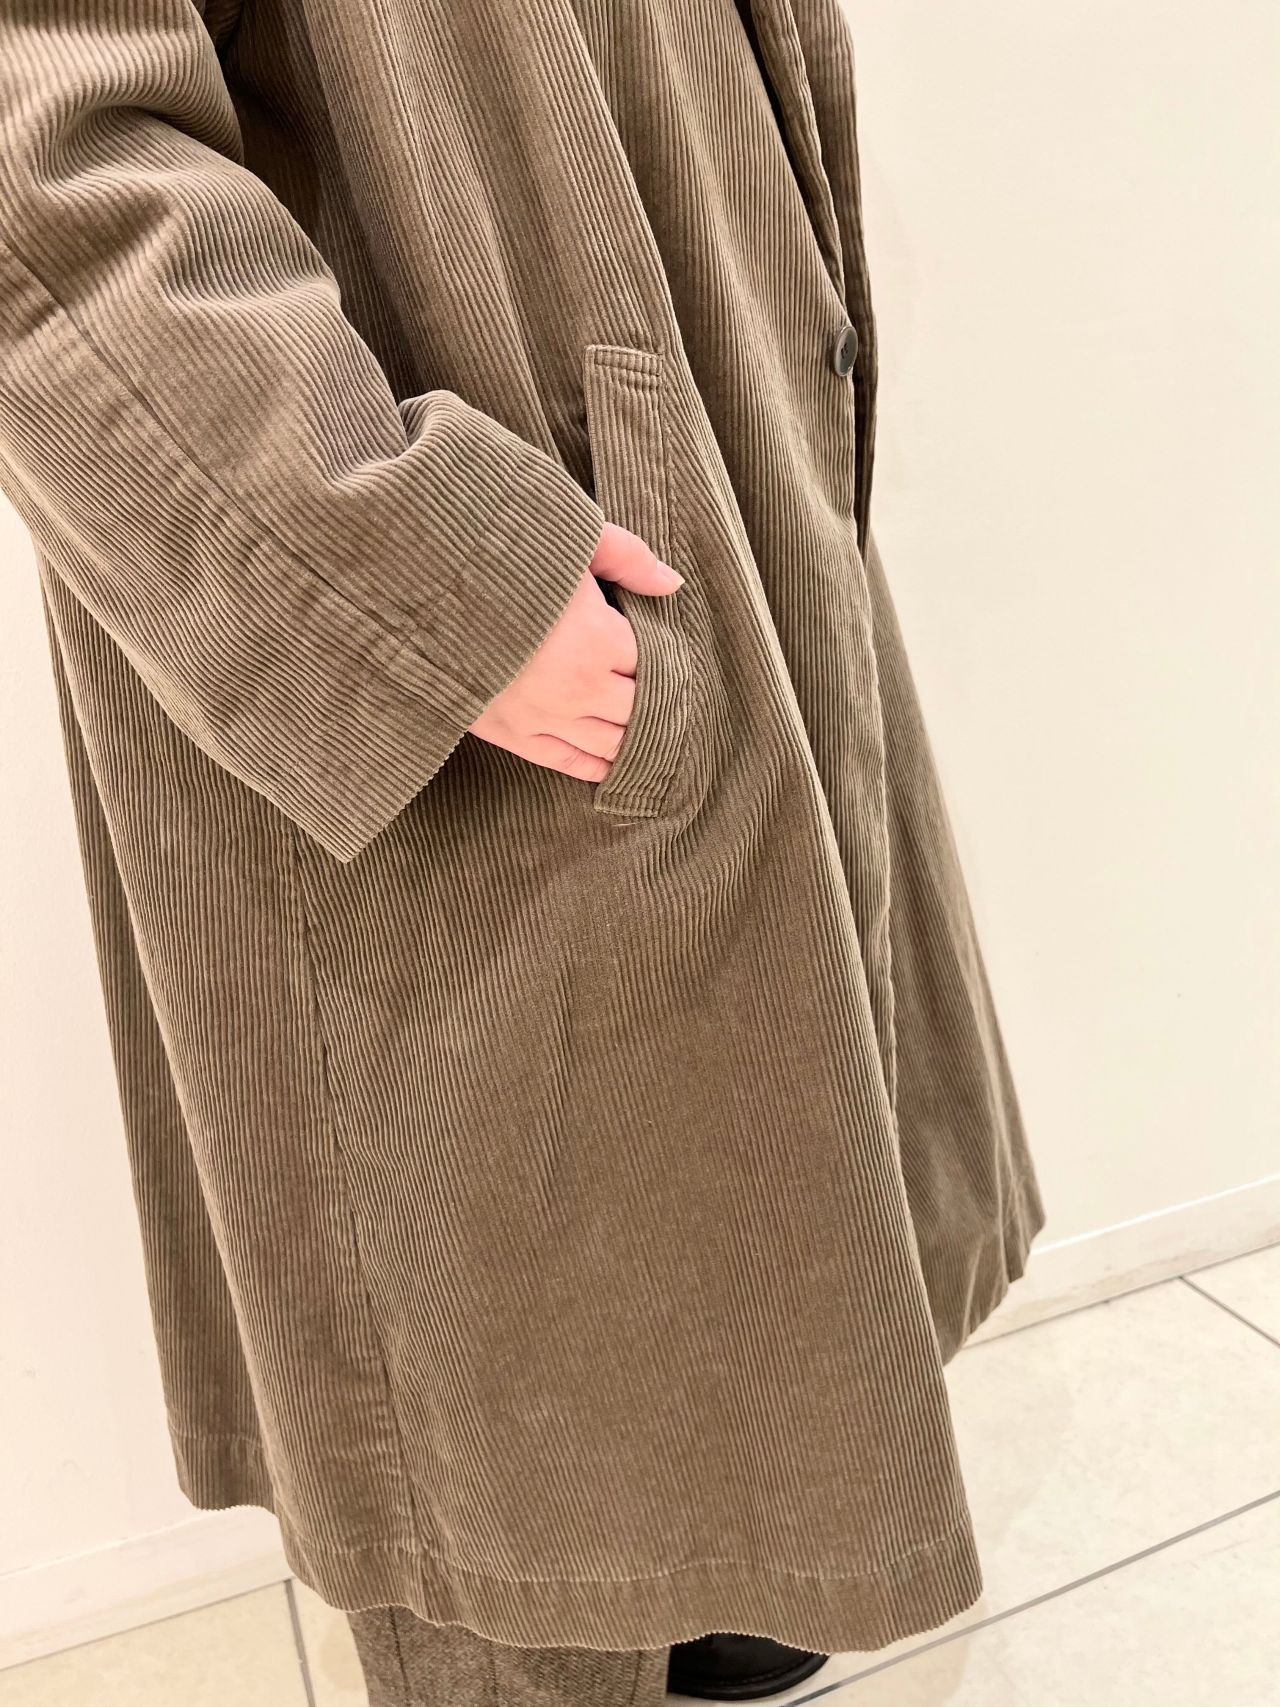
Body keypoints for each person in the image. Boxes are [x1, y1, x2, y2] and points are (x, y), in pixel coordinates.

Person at [0, 2, 1047, 1702]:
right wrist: (420, 574)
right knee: (505, 1447)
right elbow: (41, 161)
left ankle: (731, 1553)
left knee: (745, 1273)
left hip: (688, 411)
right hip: (459, 537)